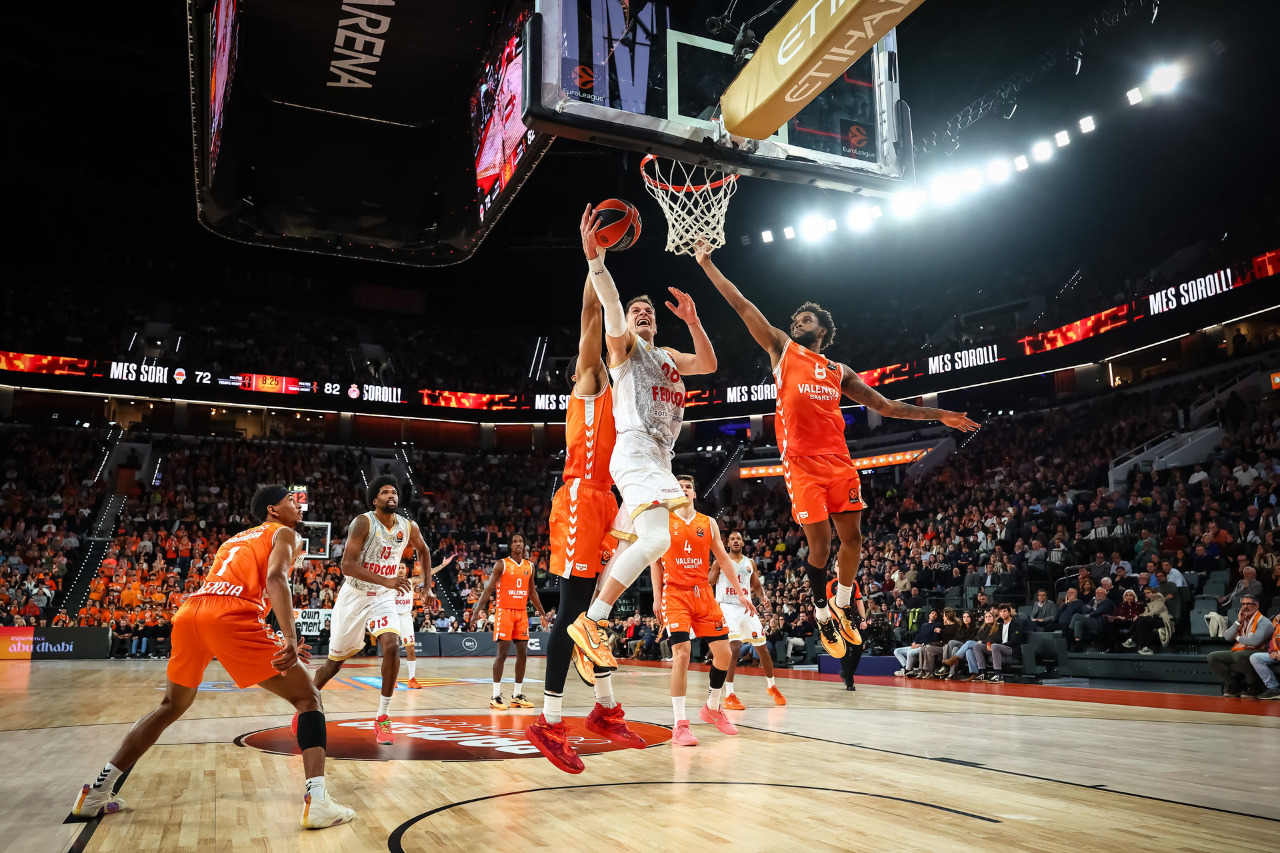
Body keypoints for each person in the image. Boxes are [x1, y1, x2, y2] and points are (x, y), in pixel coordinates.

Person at [696, 245, 978, 663]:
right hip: (802, 464)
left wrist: (941, 415)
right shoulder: (781, 349)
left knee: (854, 539)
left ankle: (842, 604)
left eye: (805, 320)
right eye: (795, 319)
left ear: (822, 330)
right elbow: (742, 304)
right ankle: (821, 610)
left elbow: (886, 407)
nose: (797, 323)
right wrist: (707, 264)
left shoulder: (838, 371)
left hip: (840, 461)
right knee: (821, 548)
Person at [72, 487, 356, 829]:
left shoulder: (235, 540)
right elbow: (275, 578)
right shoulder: (285, 533)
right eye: (290, 501)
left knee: (170, 706)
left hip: (192, 612)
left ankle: (96, 793)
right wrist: (291, 637)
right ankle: (318, 801)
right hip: (229, 614)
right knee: (309, 698)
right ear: (272, 509)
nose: (298, 506)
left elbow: (236, 584)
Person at [568, 206, 721, 669]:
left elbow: (709, 364)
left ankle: (591, 638)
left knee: (637, 545)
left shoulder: (669, 355)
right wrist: (596, 262)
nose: (642, 314)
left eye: (648, 311)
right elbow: (611, 307)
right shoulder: (625, 349)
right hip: (635, 449)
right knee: (657, 542)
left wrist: (694, 321)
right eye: (638, 311)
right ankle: (592, 621)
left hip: (659, 457)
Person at [527, 270, 645, 775]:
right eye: (634, 315)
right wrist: (594, 262)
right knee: (574, 610)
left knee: (593, 616)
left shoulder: (629, 386)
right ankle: (549, 721)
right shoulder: (592, 378)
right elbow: (591, 314)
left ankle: (605, 708)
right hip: (580, 495)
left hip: (608, 502)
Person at [309, 477, 422, 745]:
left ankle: (382, 717)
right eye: (384, 492)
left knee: (392, 645)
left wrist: (427, 585)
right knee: (333, 664)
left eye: (394, 492)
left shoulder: (407, 526)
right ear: (374, 499)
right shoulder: (363, 523)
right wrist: (386, 580)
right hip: (355, 596)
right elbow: (347, 565)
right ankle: (306, 705)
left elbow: (424, 550)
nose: (391, 495)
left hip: (383, 597)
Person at [649, 476, 756, 746]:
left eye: (688, 487)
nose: (684, 490)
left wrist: (741, 593)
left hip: (703, 594)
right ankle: (680, 725)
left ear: (694, 494)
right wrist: (657, 597)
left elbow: (723, 559)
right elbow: (655, 563)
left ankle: (712, 707)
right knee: (682, 653)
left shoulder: (708, 523)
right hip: (675, 594)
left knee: (724, 655)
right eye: (679, 487)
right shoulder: (663, 522)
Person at [470, 534, 548, 710]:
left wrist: (543, 614)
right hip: (504, 612)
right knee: (502, 654)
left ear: (524, 545)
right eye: (515, 542)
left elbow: (532, 592)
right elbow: (488, 589)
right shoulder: (502, 564)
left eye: (521, 541)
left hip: (521, 613)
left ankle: (517, 696)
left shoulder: (529, 566)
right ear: (510, 546)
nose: (518, 544)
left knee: (523, 653)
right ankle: (495, 696)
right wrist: (476, 612)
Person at [710, 530, 786, 709]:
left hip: (746, 607)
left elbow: (756, 585)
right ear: (728, 543)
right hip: (727, 606)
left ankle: (772, 686)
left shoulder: (750, 563)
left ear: (743, 543)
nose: (736, 541)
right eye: (732, 539)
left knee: (763, 648)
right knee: (734, 647)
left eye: (739, 539)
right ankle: (729, 694)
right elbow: (709, 582)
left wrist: (763, 598)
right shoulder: (720, 561)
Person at [398, 552, 449, 689]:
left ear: (406, 570)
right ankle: (392, 679)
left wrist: (442, 565)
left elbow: (427, 574)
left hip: (406, 617)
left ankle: (412, 679)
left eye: (402, 568)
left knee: (411, 649)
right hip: (393, 617)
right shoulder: (389, 582)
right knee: (391, 650)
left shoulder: (411, 582)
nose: (400, 570)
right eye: (398, 567)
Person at [1207, 595, 1274, 697]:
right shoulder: (1242, 620)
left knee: (1239, 655)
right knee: (1213, 656)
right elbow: (1227, 637)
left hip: (1260, 651)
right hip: (1242, 651)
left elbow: (1255, 641)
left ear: (1256, 606)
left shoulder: (1264, 622)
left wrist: (1238, 638)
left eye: (1248, 604)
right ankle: (1234, 686)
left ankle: (1253, 686)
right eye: (1243, 604)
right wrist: (1238, 622)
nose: (1245, 607)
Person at [966, 603, 1026, 683]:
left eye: (1005, 611)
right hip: (999, 647)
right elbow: (995, 639)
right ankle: (983, 673)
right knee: (977, 646)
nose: (1003, 613)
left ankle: (998, 675)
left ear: (1009, 612)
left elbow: (1015, 640)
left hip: (1012, 648)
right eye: (1001, 611)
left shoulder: (1016, 623)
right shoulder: (1000, 625)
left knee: (995, 646)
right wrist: (989, 644)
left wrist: (999, 645)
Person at [1125, 586, 1173, 655]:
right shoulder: (1148, 602)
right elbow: (1145, 613)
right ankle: (1145, 647)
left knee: (1142, 619)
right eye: (1145, 593)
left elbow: (1155, 611)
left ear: (1153, 593)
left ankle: (1132, 637)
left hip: (1161, 619)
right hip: (1150, 620)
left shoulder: (1159, 600)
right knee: (1144, 625)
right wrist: (1138, 617)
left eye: (1148, 592)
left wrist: (1141, 617)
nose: (1146, 594)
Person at [1249, 612, 1280, 700]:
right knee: (1255, 657)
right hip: (1277, 653)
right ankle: (1273, 688)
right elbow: (1273, 639)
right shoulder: (1277, 622)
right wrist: (1272, 651)